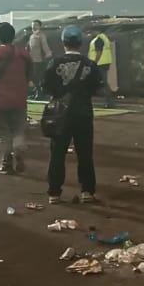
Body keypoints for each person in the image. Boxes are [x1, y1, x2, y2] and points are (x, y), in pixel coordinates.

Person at [42, 24, 103, 204]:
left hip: (60, 114)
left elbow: (45, 86)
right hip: (83, 111)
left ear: (63, 42)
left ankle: (54, 193)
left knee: (57, 154)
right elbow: (96, 87)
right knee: (85, 153)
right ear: (81, 43)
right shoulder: (90, 64)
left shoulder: (55, 63)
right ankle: (87, 191)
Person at [0, 22, 32, 174]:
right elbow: (30, 74)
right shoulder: (23, 53)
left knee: (4, 133)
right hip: (20, 98)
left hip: (0, 99)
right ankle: (19, 154)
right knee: (18, 131)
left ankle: (6, 164)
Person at [88, 28, 114, 108]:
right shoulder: (104, 37)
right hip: (104, 63)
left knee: (103, 83)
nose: (91, 33)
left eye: (92, 31)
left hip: (100, 63)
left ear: (97, 31)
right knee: (102, 82)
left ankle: (109, 102)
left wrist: (94, 63)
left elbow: (99, 52)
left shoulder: (98, 39)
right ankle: (109, 101)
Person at [27, 20, 52, 99]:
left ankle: (39, 93)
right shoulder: (31, 36)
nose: (33, 27)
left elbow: (45, 46)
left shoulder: (41, 36)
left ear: (40, 26)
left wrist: (48, 54)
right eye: (33, 25)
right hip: (32, 60)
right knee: (34, 78)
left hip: (39, 61)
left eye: (35, 25)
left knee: (37, 78)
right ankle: (37, 91)